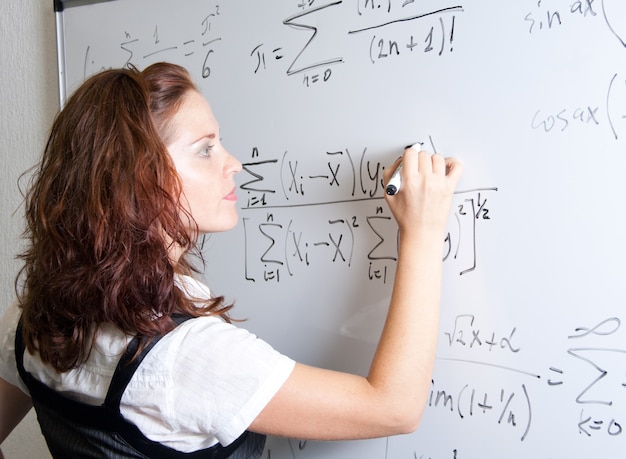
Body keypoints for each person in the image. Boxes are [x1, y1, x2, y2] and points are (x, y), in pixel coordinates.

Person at [0, 62, 462, 458]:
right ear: (138, 180)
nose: (235, 163)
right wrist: (421, 232)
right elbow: (394, 407)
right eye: (205, 149)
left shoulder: (32, 312)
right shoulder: (188, 357)